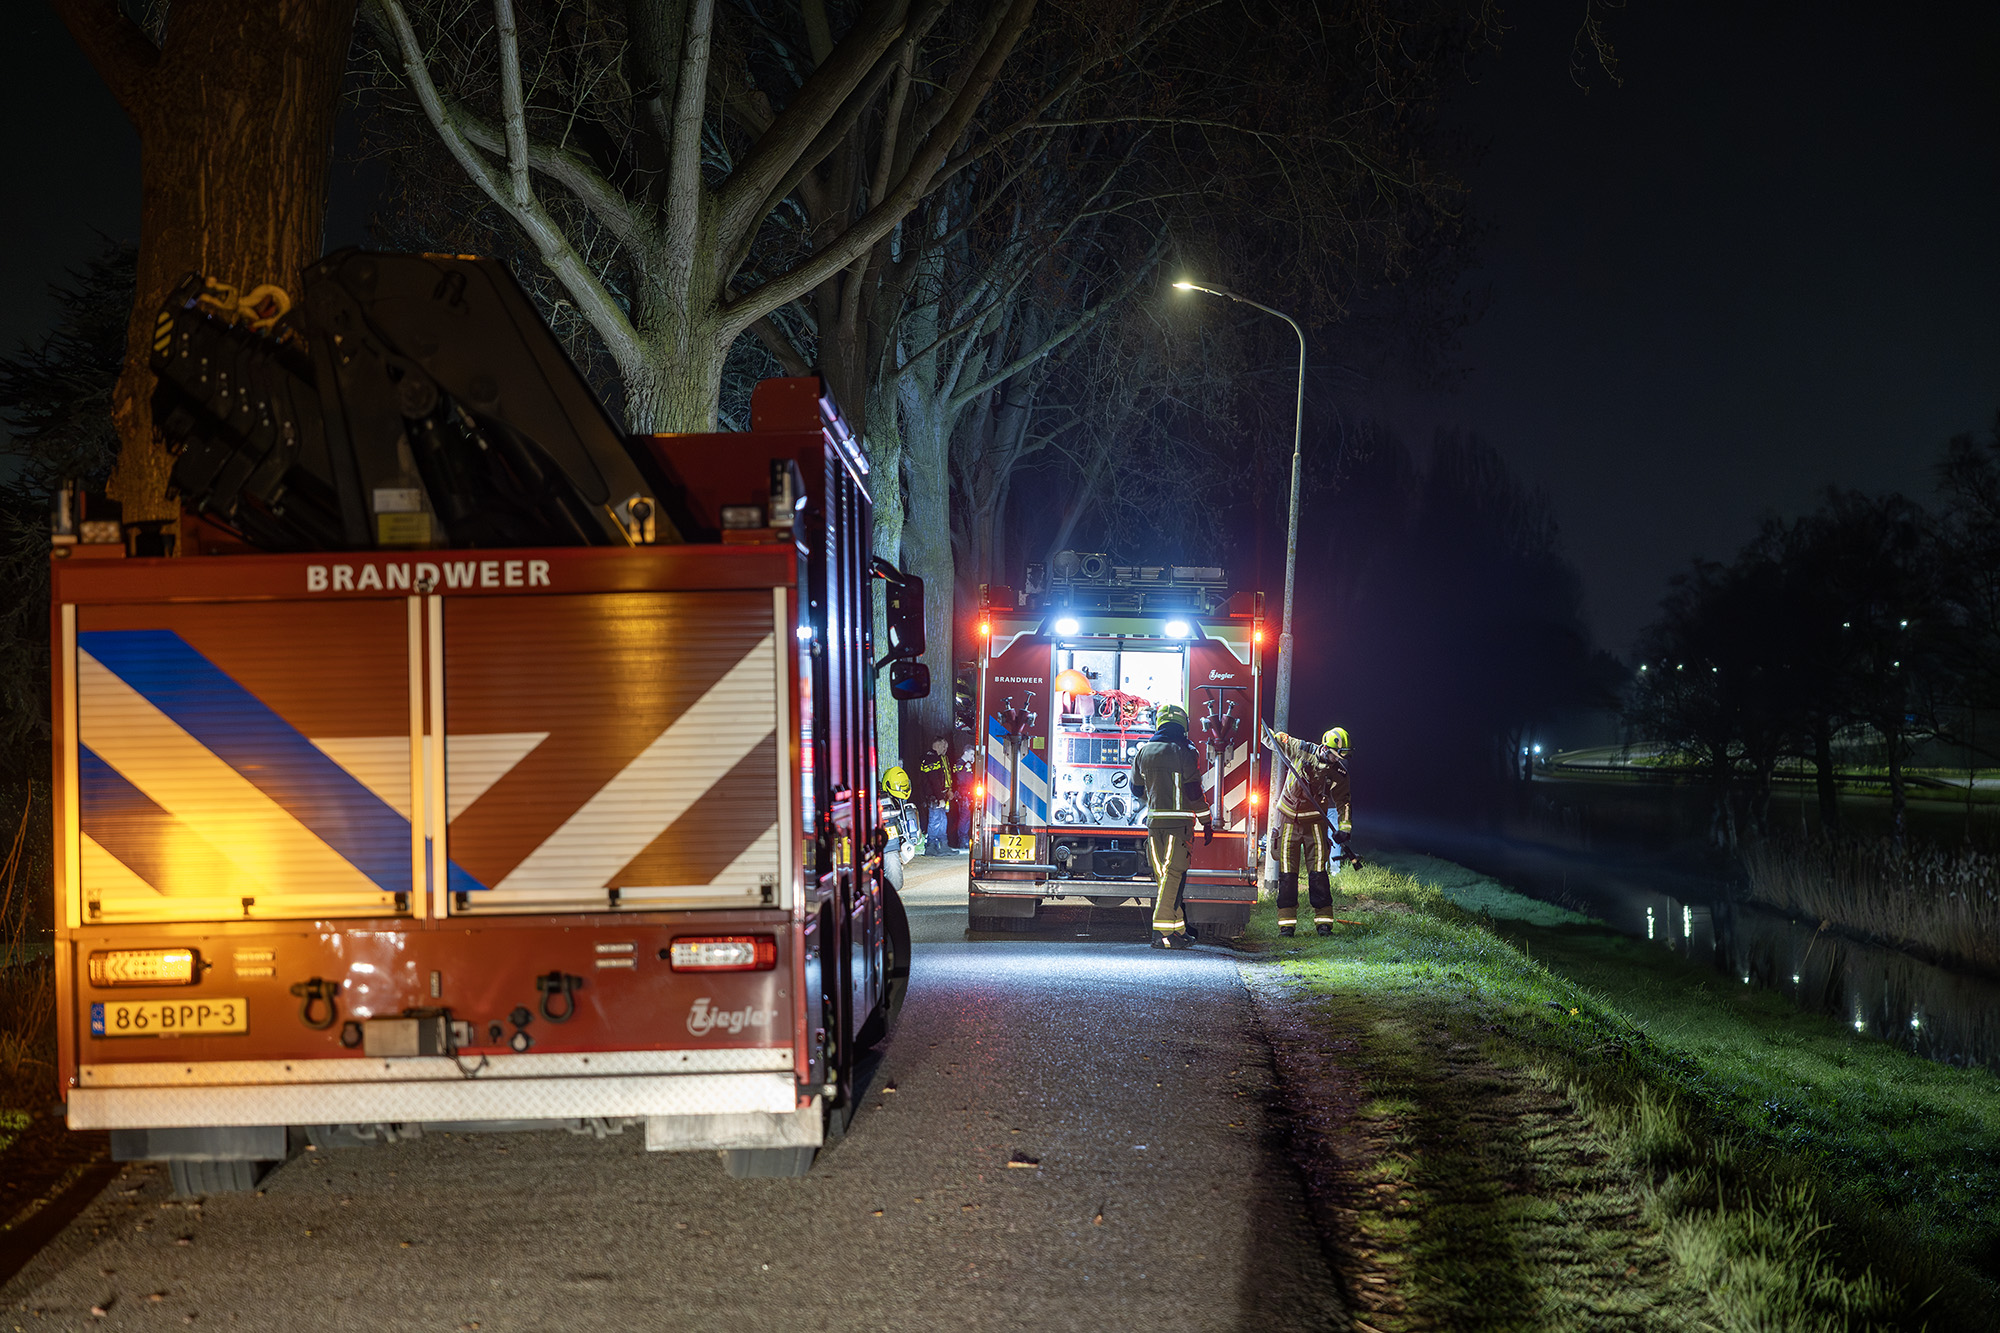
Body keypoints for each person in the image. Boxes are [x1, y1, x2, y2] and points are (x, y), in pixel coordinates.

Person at [1130, 703, 1210, 949]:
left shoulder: (1144, 750)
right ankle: (1162, 933)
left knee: (1165, 878)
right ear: (1182, 724)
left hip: (1154, 824)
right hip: (1179, 824)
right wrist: (1206, 820)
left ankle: (1178, 930)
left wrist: (1155, 799)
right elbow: (1193, 790)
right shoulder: (1185, 750)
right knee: (1174, 875)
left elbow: (1135, 788)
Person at [1263, 724, 1353, 936]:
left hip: (1315, 823)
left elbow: (1344, 801)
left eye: (1341, 757)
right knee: (1287, 875)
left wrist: (1345, 829)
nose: (1337, 760)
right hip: (1288, 821)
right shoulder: (1301, 748)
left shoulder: (1339, 772)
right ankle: (1286, 925)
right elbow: (1272, 740)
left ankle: (1324, 924)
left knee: (1319, 874)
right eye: (1334, 756)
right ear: (1324, 747)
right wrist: (1256, 726)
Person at [914, 738, 952, 855]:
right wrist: (940, 797)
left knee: (942, 820)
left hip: (936, 795)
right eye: (944, 747)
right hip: (933, 797)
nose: (945, 750)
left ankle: (943, 845)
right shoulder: (931, 759)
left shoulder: (933, 758)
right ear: (939, 746)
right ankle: (931, 846)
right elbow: (934, 780)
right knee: (935, 820)